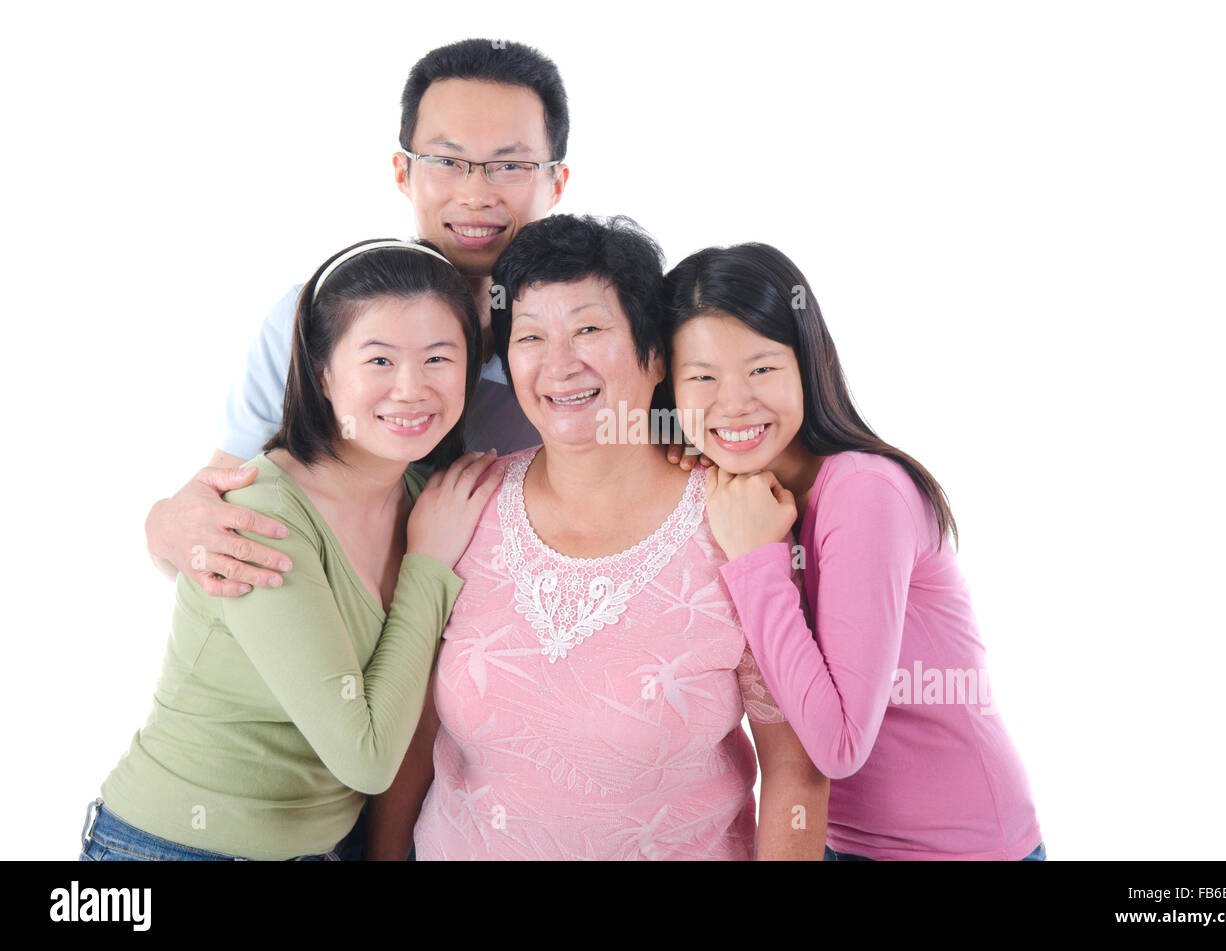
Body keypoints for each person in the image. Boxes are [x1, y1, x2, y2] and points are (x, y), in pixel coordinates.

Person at [365, 216, 829, 860]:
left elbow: (797, 774)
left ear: (654, 353)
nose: (559, 364)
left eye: (588, 328)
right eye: (530, 336)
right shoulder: (459, 508)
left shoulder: (739, 525)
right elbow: (410, 739)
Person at [81, 240, 503, 860]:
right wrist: (426, 567)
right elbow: (367, 760)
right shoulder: (262, 513)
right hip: (169, 849)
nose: (411, 388)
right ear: (324, 373)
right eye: (379, 360)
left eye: (438, 358)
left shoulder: (426, 498)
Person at [145, 38, 570, 599]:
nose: (474, 193)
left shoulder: (595, 335)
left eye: (510, 165)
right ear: (403, 172)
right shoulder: (315, 317)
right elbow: (218, 502)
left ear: (556, 183)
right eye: (447, 161)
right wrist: (167, 526)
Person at [663, 243, 1044, 861]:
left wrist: (756, 560)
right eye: (702, 377)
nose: (732, 402)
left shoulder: (865, 491)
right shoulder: (745, 491)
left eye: (762, 369)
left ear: (811, 365)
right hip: (839, 841)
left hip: (960, 849)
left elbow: (839, 745)